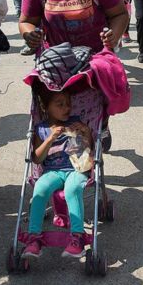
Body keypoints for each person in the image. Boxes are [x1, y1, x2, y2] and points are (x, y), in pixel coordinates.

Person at [21, 87, 93, 260]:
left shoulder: (76, 122)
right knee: (39, 189)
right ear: (46, 107)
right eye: (59, 104)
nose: (66, 108)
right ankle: (34, 237)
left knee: (72, 189)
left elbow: (89, 148)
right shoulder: (42, 129)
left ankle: (77, 237)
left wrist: (86, 132)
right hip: (52, 170)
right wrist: (50, 138)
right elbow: (37, 159)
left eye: (68, 104)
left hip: (76, 169)